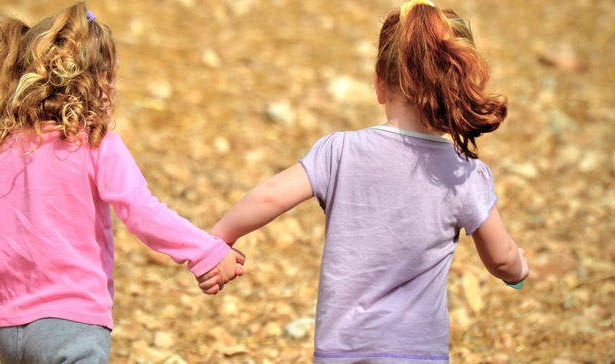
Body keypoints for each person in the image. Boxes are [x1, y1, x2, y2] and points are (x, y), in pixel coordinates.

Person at [197, 0, 529, 362]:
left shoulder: (339, 151)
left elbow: (270, 196)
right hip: (415, 353)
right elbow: (501, 259)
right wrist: (519, 270)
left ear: (378, 83)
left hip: (340, 351)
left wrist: (217, 241)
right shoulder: (463, 174)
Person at [0, 3, 243, 363]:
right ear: (98, 82)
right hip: (72, 323)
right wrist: (207, 253)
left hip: (9, 330)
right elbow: (141, 212)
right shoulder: (97, 145)